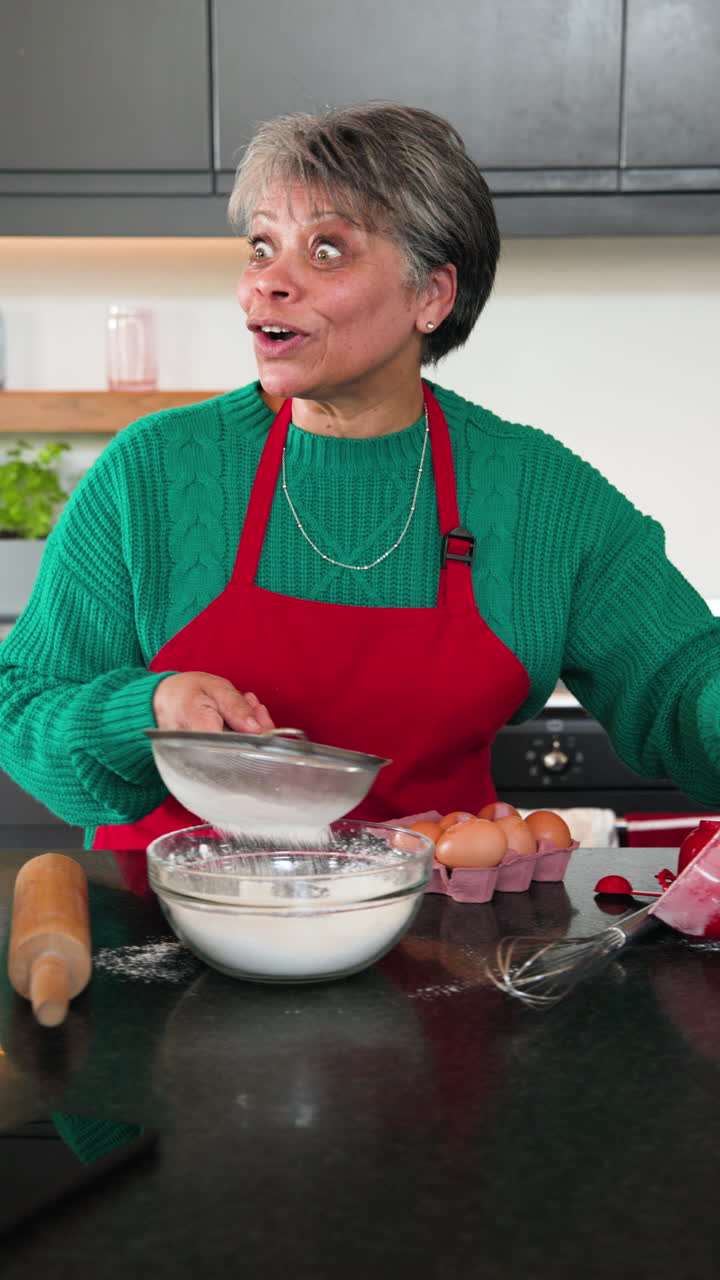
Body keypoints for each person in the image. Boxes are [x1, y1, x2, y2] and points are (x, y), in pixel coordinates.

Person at [1, 101, 719, 852]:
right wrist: (147, 708)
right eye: (260, 247)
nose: (266, 285)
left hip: (439, 939)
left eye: (326, 251)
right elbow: (21, 708)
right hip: (173, 935)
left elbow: (679, 681)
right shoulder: (153, 471)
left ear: (431, 296)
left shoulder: (542, 495)